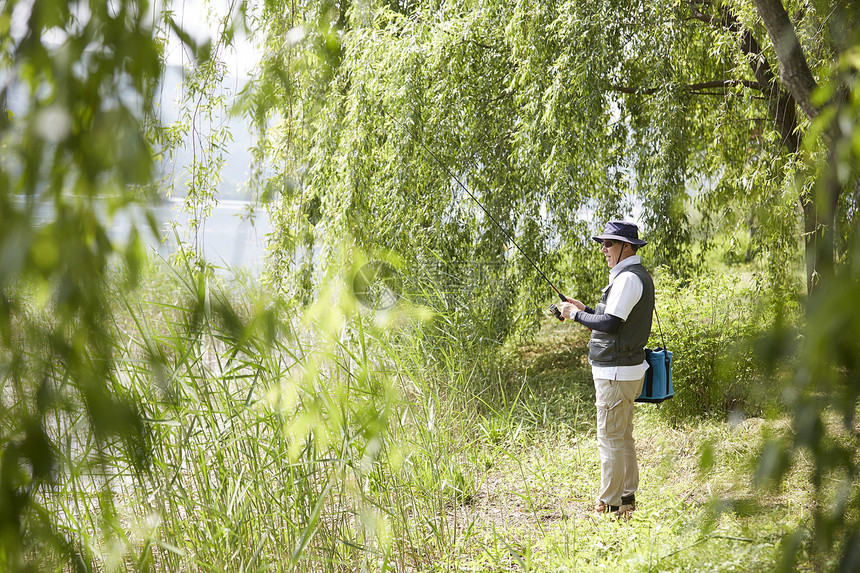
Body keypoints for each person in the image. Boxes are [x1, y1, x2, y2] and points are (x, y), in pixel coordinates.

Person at [556, 220, 654, 519]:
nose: (604, 249)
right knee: (622, 436)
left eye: (609, 243)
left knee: (610, 438)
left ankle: (609, 505)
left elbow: (611, 324)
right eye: (603, 243)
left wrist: (573, 315)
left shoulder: (627, 279)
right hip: (624, 371)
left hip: (615, 373)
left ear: (627, 247)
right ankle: (625, 499)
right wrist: (585, 310)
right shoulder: (631, 276)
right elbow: (614, 318)